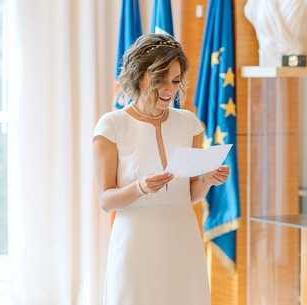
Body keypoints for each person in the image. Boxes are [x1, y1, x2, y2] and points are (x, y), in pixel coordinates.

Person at [93, 33, 229, 305]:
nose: (169, 89)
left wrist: (206, 180)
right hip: (136, 243)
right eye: (161, 80)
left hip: (182, 239)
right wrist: (141, 187)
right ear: (139, 76)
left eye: (176, 80)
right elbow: (106, 200)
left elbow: (189, 195)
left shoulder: (189, 123)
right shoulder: (112, 125)